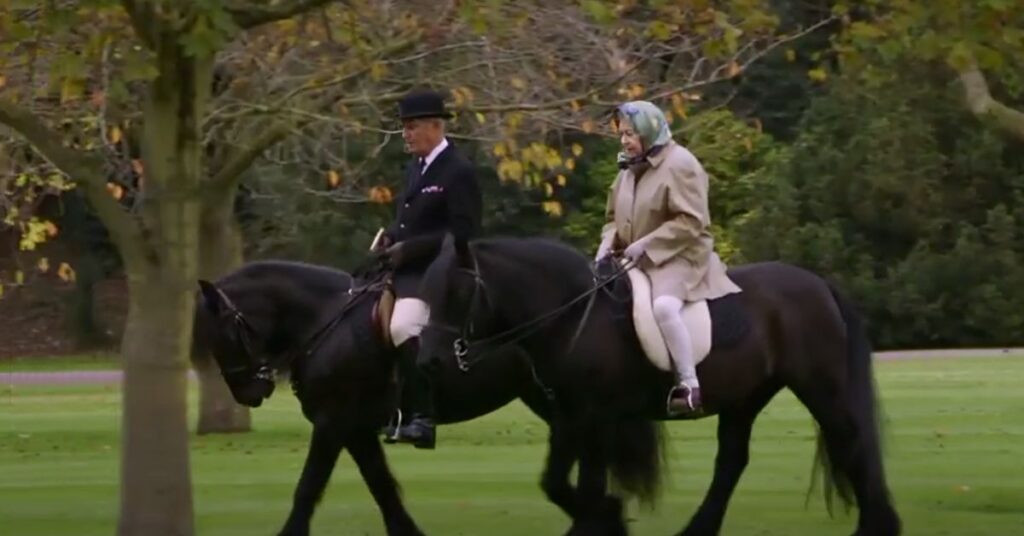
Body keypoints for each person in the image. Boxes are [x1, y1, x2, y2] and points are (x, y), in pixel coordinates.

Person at [595, 100, 741, 417]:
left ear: (648, 131)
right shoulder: (628, 170)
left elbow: (692, 222)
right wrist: (608, 242)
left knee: (663, 307)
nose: (624, 141)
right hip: (634, 259)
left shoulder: (681, 164)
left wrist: (647, 244)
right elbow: (611, 219)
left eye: (630, 134)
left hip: (680, 256)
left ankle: (689, 386)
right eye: (622, 134)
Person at [373, 88, 482, 449]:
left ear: (436, 127)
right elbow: (408, 221)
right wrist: (389, 238)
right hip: (404, 267)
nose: (406, 134)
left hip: (438, 270)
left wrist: (412, 248)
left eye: (412, 126)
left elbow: (463, 230)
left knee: (404, 325)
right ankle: (390, 408)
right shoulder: (414, 169)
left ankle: (423, 416)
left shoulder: (458, 170)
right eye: (404, 127)